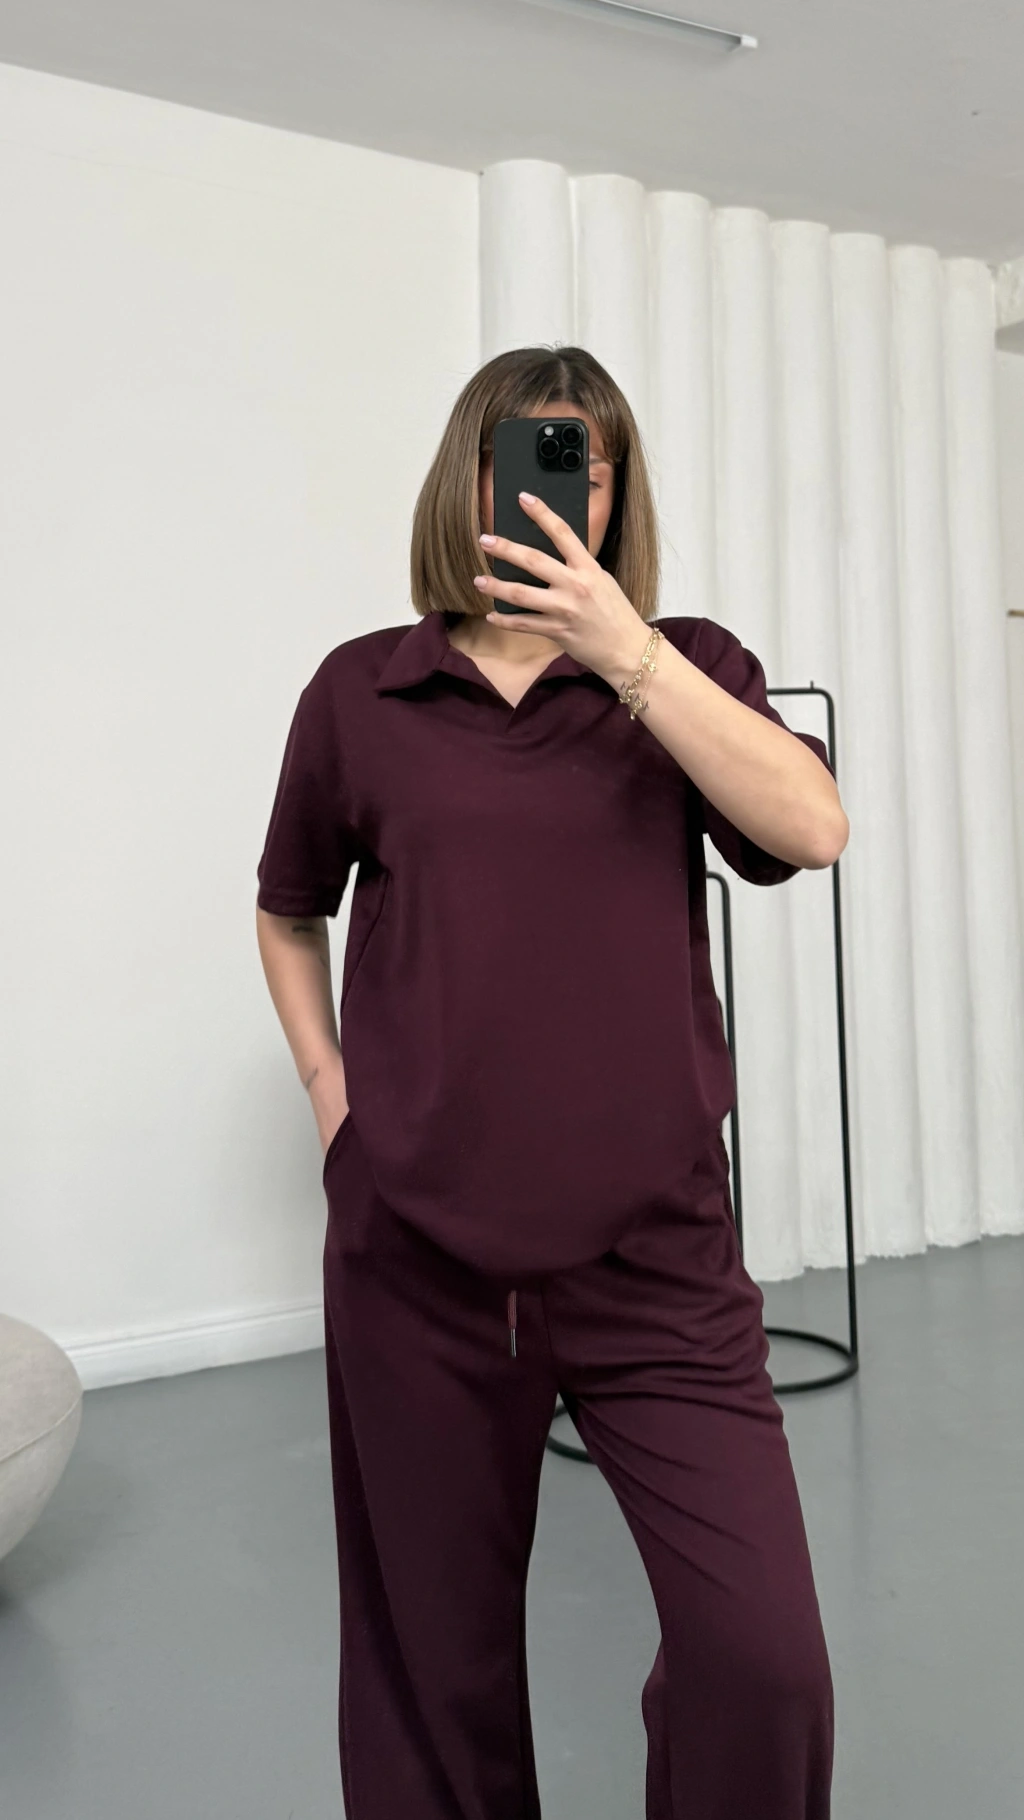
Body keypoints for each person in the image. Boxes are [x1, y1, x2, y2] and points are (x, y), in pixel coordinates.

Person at [255, 345, 847, 1820]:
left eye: (582, 460)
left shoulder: (686, 667)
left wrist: (625, 651)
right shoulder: (362, 692)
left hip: (657, 1256)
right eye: (517, 453)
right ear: (464, 480)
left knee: (763, 1659)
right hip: (417, 1259)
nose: (548, 487)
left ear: (614, 492)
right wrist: (334, 1102)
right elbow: (288, 906)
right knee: (432, 1672)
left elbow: (812, 829)